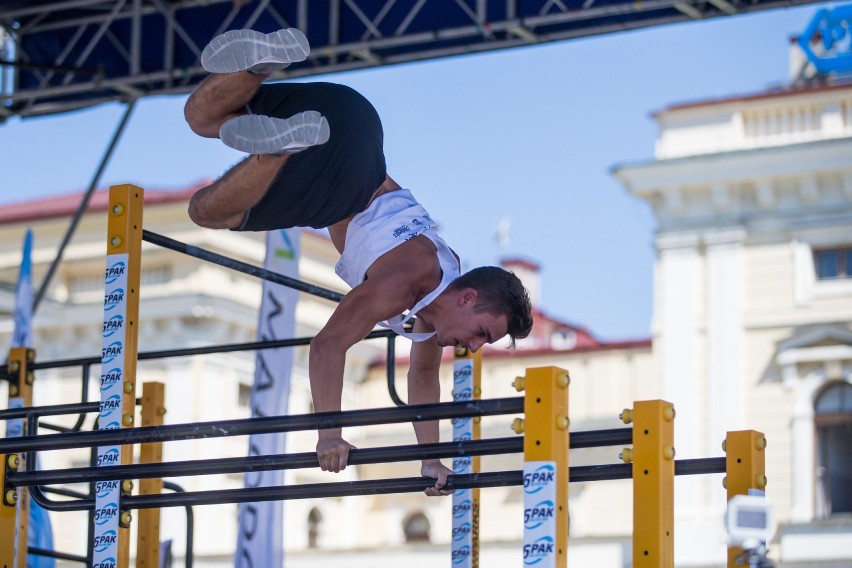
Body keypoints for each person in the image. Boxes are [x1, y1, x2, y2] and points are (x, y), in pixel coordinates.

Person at [184, 28, 533, 496]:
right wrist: (330, 433)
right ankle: (277, 151)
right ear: (467, 298)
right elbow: (327, 345)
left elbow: (424, 376)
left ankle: (258, 64)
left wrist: (430, 460)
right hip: (341, 177)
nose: (471, 347)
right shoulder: (404, 282)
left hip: (353, 117)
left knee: (203, 116)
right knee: (206, 211)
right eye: (482, 333)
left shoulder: (436, 300)